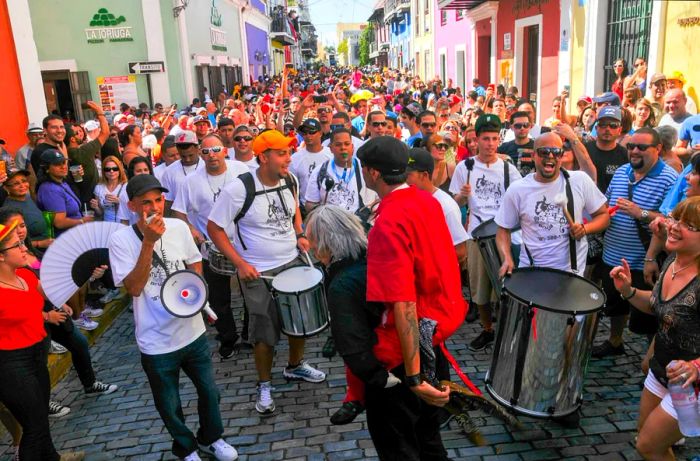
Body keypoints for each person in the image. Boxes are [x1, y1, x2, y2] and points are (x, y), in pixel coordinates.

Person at [108, 175, 238, 461]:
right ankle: (186, 447)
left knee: (210, 393)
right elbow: (134, 288)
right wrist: (149, 243)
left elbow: (193, 262)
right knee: (169, 403)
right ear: (131, 206)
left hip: (192, 332)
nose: (155, 207)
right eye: (146, 203)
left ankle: (210, 438)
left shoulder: (178, 227)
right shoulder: (120, 240)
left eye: (158, 200)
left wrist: (195, 294)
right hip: (156, 341)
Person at [356, 136, 467, 460]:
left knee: (400, 448)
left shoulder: (388, 223)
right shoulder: (428, 200)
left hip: (404, 352)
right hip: (433, 332)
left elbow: (402, 302)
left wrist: (415, 377)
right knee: (429, 439)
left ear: (373, 173)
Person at [207, 130, 326, 416]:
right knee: (265, 333)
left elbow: (295, 209)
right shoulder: (238, 189)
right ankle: (264, 384)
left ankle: (295, 366)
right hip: (258, 273)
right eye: (282, 153)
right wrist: (240, 263)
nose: (288, 157)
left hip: (292, 261)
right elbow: (214, 227)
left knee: (300, 321)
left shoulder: (290, 179)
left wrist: (299, 233)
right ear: (264, 157)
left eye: (288, 152)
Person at [608, 197, 700, 460]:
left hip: (692, 386)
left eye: (690, 226)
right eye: (677, 219)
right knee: (649, 439)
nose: (674, 227)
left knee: (648, 445)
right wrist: (628, 290)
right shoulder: (673, 261)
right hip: (662, 371)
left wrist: (696, 366)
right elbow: (656, 306)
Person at [0, 218, 85, 461]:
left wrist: (85, 270)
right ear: (0, 256)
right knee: (34, 426)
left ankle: (53, 457)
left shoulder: (25, 276)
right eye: (17, 245)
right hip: (10, 363)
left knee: (38, 418)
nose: (25, 247)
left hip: (37, 353)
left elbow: (52, 291)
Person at [592, 127, 678, 358]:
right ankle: (615, 341)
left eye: (642, 147)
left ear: (658, 148)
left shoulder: (670, 178)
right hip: (613, 254)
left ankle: (653, 362)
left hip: (643, 261)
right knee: (615, 305)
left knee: (649, 316)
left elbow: (672, 221)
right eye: (631, 146)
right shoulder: (621, 172)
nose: (635, 151)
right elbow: (608, 202)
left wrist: (640, 213)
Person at [171, 134, 248, 359]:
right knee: (218, 298)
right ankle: (228, 338)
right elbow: (178, 211)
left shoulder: (241, 170)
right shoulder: (191, 181)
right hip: (211, 247)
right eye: (206, 152)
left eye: (215, 150)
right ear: (200, 155)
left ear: (225, 150)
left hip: (243, 243)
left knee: (250, 292)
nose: (211, 155)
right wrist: (191, 230)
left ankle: (249, 334)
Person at [451, 114, 523, 350]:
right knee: (480, 289)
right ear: (476, 140)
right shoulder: (466, 167)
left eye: (494, 139)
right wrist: (462, 194)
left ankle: (506, 330)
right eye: (485, 139)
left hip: (504, 233)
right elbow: (456, 204)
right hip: (477, 235)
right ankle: (487, 329)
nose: (490, 144)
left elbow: (519, 201)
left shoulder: (508, 169)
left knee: (507, 288)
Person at [495, 132, 609, 277]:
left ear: (561, 156)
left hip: (571, 274)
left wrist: (585, 229)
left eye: (556, 152)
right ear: (533, 156)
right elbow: (503, 229)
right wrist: (507, 259)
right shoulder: (518, 189)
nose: (550, 156)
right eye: (544, 152)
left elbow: (604, 216)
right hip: (532, 272)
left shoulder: (579, 180)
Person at [406, 148, 468, 263]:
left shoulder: (446, 206)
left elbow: (460, 251)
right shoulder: (408, 199)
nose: (404, 179)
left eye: (408, 175)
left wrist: (426, 262)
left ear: (424, 175)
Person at [304, 128, 376, 214]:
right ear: (331, 148)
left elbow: (377, 199)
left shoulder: (365, 169)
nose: (343, 148)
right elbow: (310, 204)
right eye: (338, 145)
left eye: (347, 144)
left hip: (359, 225)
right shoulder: (320, 171)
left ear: (352, 147)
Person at [2, 169, 52, 252]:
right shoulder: (9, 210)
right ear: (7, 188)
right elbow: (11, 243)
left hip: (49, 246)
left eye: (24, 181)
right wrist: (39, 243)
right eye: (16, 183)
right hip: (33, 254)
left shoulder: (28, 197)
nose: (22, 185)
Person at [584, 106, 629, 193]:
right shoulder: (585, 150)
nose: (608, 129)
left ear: (620, 130)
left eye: (613, 125)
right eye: (603, 124)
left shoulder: (625, 156)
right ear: (596, 128)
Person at [289, 119, 332, 209]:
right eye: (304, 133)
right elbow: (292, 188)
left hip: (330, 207)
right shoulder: (295, 159)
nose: (308, 135)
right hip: (307, 209)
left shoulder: (331, 154)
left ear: (320, 133)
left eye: (312, 132)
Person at [162, 131, 203, 213]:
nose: (187, 159)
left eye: (190, 155)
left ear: (197, 148)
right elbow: (168, 202)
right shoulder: (169, 172)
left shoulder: (207, 166)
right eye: (183, 156)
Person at [498, 111, 536, 176]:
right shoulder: (504, 148)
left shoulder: (537, 146)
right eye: (518, 125)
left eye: (526, 125)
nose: (522, 128)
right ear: (511, 127)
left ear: (530, 126)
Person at [90, 156, 127, 223]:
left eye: (115, 168)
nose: (111, 171)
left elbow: (132, 210)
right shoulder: (99, 188)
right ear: (103, 171)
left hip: (122, 225)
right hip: (107, 226)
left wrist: (119, 202)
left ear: (120, 169)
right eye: (107, 169)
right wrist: (96, 207)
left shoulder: (126, 187)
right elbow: (100, 213)